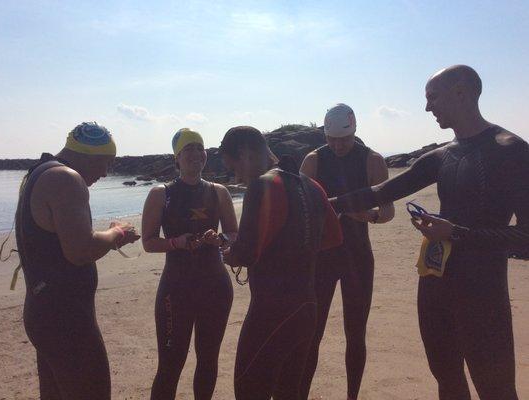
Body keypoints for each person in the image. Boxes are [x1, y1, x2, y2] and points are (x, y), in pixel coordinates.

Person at [330, 65, 529, 399]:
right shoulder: (442, 156)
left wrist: (456, 233)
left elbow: (526, 237)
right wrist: (321, 201)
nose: (427, 107)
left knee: (496, 389)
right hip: (434, 284)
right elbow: (382, 192)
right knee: (447, 379)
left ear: (461, 93)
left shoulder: (511, 150)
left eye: (432, 97)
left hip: (483, 294)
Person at [14, 122, 140, 400]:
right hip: (65, 319)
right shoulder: (66, 179)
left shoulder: (40, 172)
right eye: (105, 163)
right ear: (88, 155)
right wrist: (118, 233)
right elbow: (80, 250)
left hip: (45, 311)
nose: (106, 173)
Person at [219, 126, 343, 400]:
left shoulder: (263, 184)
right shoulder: (312, 186)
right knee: (290, 393)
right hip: (307, 308)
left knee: (249, 391)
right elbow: (333, 237)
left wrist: (229, 253)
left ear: (245, 155)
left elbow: (246, 254)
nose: (236, 178)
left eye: (234, 169)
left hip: (271, 313)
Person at [299, 103, 394, 400]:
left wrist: (369, 216)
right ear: (324, 135)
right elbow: (298, 209)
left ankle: (352, 396)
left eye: (345, 139)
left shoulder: (372, 160)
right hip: (321, 258)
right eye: (332, 140)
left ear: (355, 132)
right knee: (311, 335)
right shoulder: (313, 161)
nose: (338, 146)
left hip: (357, 258)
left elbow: (389, 210)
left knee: (355, 335)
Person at [142, 128, 238, 400]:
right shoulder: (162, 194)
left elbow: (234, 233)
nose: (196, 154)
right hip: (176, 289)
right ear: (177, 158)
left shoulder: (219, 192)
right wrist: (178, 243)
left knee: (208, 360)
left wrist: (218, 239)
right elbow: (148, 242)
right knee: (170, 365)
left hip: (215, 287)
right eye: (189, 149)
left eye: (200, 147)